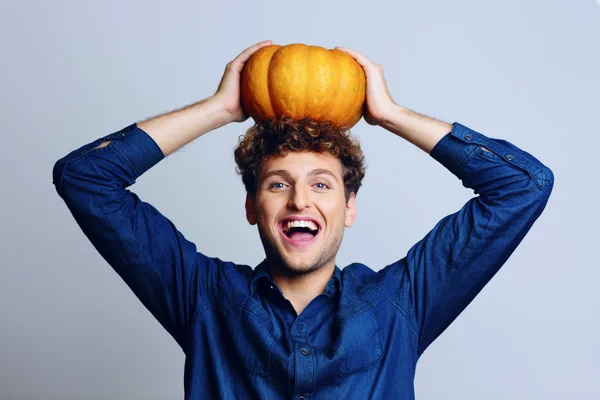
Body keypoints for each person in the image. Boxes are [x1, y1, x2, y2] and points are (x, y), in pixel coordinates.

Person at [53, 40, 554, 399]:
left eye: (321, 183)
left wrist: (390, 114)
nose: (299, 201)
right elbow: (84, 178)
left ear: (349, 207)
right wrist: (219, 109)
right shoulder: (203, 297)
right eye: (277, 184)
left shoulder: (400, 304)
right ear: (252, 207)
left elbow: (524, 186)